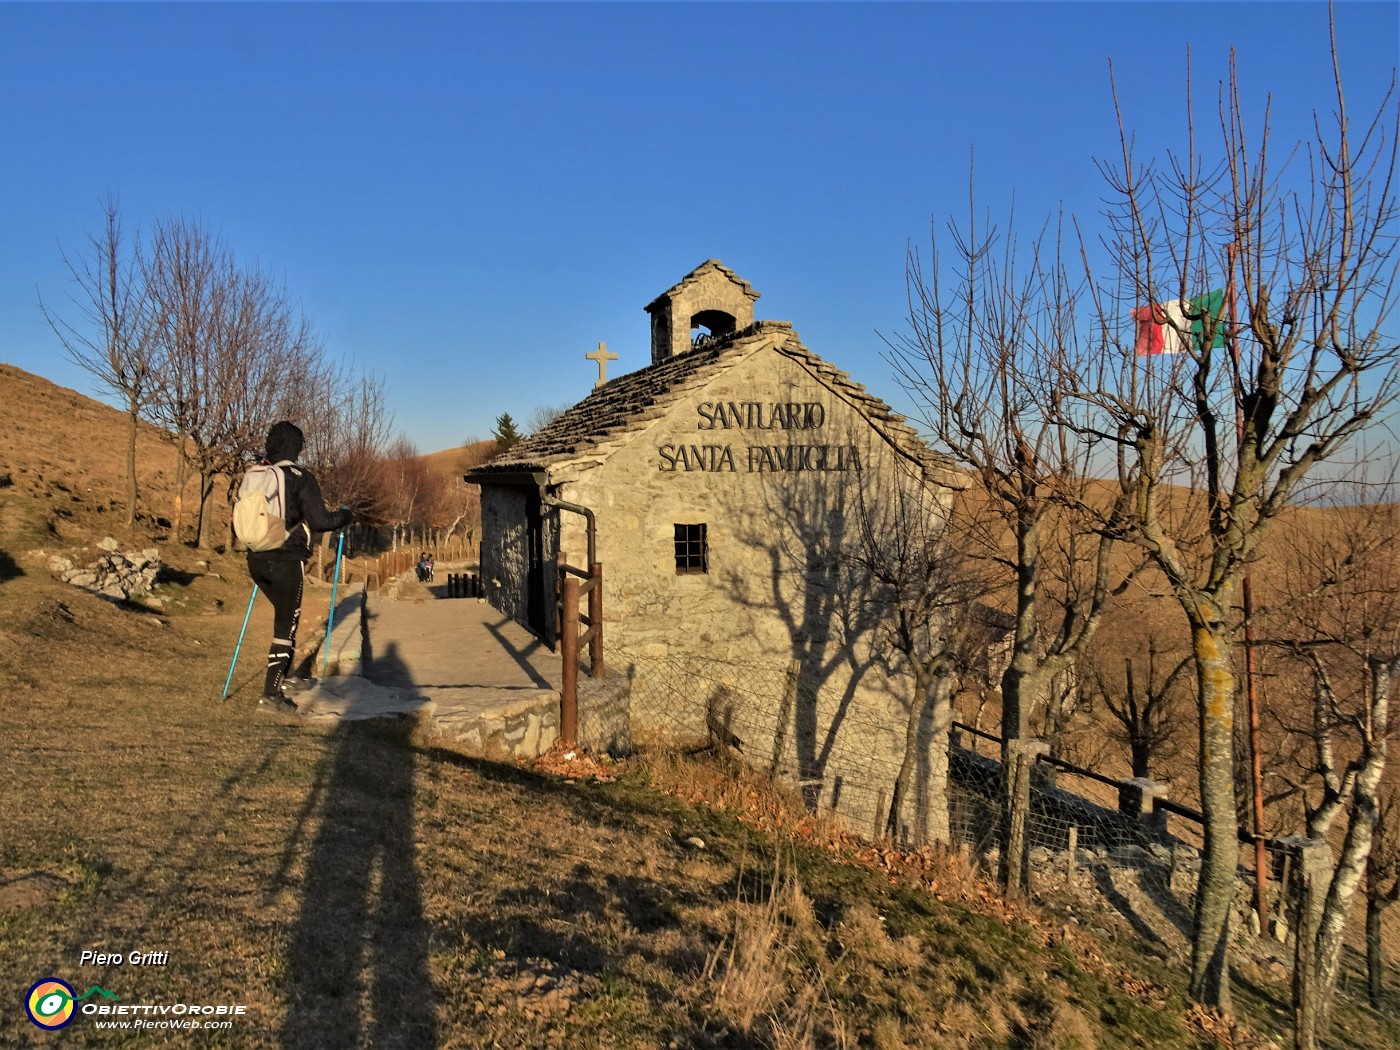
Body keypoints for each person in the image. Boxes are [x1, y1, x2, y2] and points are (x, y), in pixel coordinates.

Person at [245, 420, 352, 712]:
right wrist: (345, 515)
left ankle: (284, 680)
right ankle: (271, 694)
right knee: (286, 623)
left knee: (285, 618)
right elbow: (320, 521)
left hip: (256, 558)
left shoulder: (257, 473)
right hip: (286, 560)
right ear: (296, 446)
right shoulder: (300, 476)